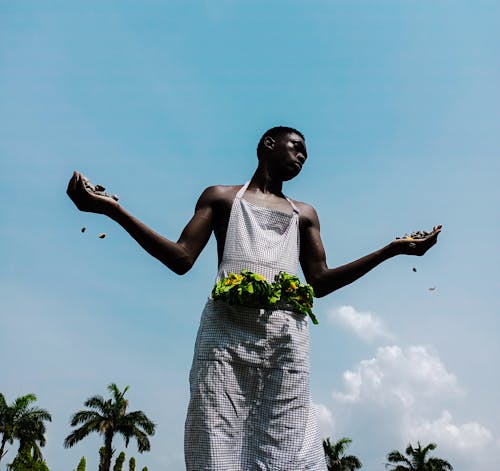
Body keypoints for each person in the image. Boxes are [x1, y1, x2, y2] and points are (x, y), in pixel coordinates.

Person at [67, 126, 441, 471]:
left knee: (289, 442)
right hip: (225, 338)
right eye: (296, 148)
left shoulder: (304, 214)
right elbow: (181, 258)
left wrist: (390, 250)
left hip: (285, 343)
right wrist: (112, 210)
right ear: (268, 145)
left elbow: (320, 281)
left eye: (306, 157)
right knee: (215, 432)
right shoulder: (222, 198)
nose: (301, 158)